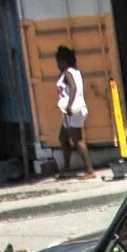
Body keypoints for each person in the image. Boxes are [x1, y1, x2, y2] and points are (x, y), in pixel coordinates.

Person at [53, 46, 88, 178]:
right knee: (63, 138)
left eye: (58, 62)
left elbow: (73, 89)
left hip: (73, 110)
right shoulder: (75, 71)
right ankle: (67, 167)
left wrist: (69, 105)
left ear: (63, 61)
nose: (57, 65)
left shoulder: (68, 73)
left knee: (78, 140)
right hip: (71, 111)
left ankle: (89, 170)